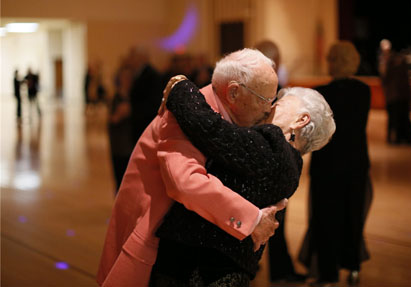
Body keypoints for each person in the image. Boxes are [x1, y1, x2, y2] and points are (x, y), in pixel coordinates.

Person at [97, 49, 290, 287]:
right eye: (264, 100)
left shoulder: (208, 107)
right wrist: (253, 220)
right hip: (149, 238)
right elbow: (185, 182)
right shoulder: (184, 113)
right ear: (233, 92)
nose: (267, 110)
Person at [150, 75, 335, 286]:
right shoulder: (287, 164)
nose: (269, 106)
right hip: (217, 271)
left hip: (203, 271)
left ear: (301, 120)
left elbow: (211, 129)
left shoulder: (274, 149)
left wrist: (180, 87)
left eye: (278, 103)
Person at [298, 41, 373, 287]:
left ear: (332, 62)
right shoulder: (364, 91)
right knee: (353, 215)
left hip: (328, 165)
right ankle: (353, 268)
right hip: (356, 164)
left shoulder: (321, 95)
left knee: (326, 217)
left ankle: (328, 274)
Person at [254, 39, 307, 284]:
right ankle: (279, 272)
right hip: (272, 166)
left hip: (259, 164)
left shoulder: (251, 90)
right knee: (274, 221)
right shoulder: (276, 91)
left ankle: (273, 269)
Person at [378, 39, 411, 145]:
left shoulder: (390, 61)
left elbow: (385, 78)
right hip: (401, 94)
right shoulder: (400, 60)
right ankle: (402, 139)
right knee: (402, 117)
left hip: (394, 95)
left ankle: (394, 139)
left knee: (394, 118)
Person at [107, 58, 134, 193]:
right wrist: (119, 115)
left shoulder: (135, 97)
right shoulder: (116, 98)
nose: (127, 80)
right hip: (119, 146)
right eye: (124, 78)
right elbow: (111, 120)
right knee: (120, 179)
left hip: (131, 144)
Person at [128, 46, 164, 144]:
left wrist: (132, 109)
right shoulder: (138, 74)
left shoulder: (152, 76)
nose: (130, 59)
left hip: (145, 124)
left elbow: (154, 103)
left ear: (141, 57)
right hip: (139, 124)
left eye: (132, 56)